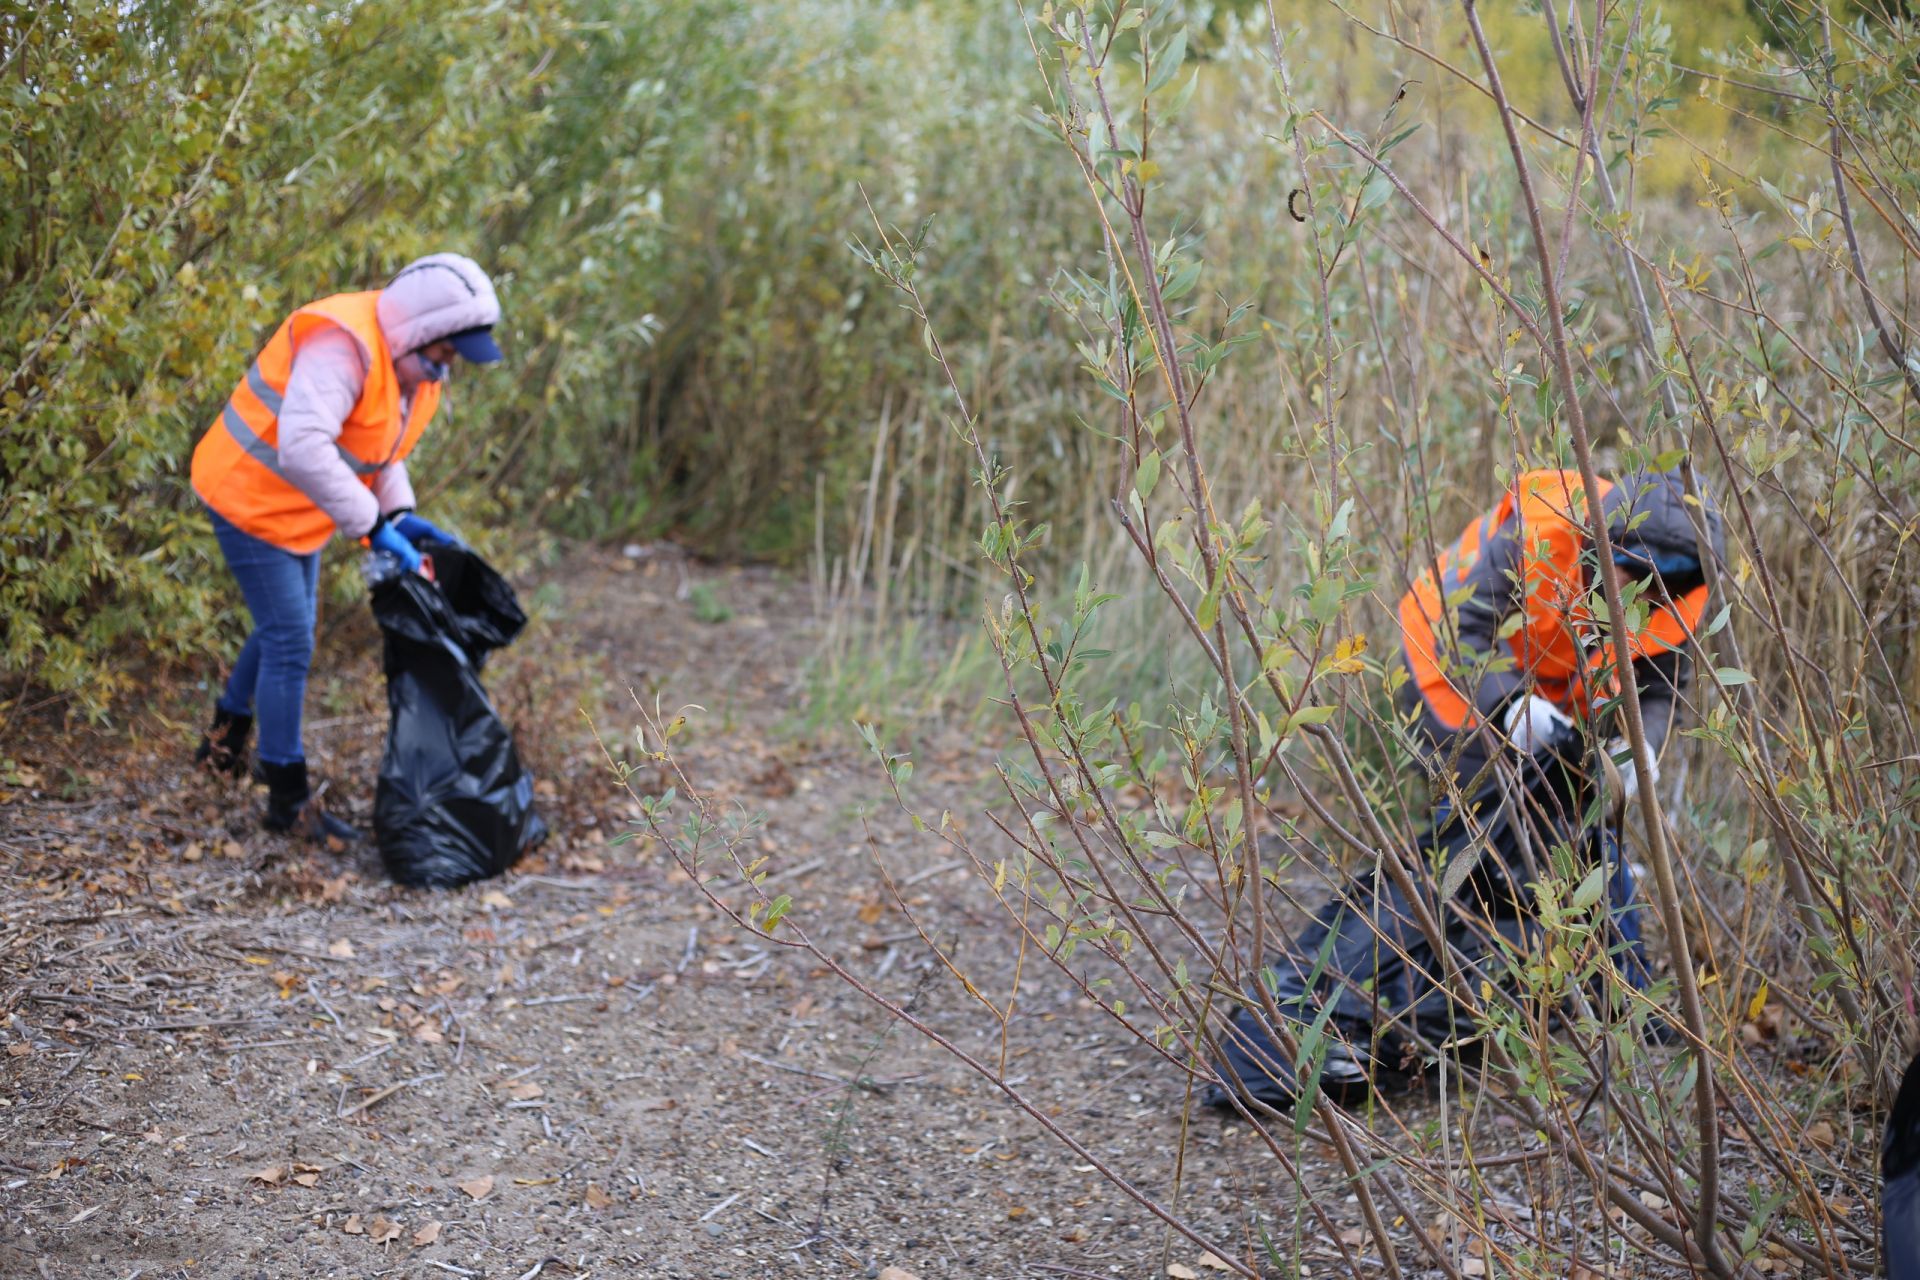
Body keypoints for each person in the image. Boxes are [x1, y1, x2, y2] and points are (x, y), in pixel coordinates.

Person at [1208, 468, 1725, 1112]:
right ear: (1602, 544)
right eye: (1627, 571)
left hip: (1547, 701)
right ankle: (1292, 1017)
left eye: (1656, 583)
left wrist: (1639, 747)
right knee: (1479, 840)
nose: (1635, 593)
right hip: (1448, 670)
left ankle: (1480, 1006)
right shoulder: (1536, 534)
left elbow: (1657, 676)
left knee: (1564, 831)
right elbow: (1460, 633)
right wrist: (1513, 710)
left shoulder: (1683, 587)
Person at [188, 253, 503, 842]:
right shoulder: (344, 347)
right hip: (246, 495)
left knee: (282, 623)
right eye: (444, 352)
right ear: (420, 331)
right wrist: (373, 526)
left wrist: (401, 515)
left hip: (295, 510)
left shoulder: (410, 367)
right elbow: (304, 447)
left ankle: (222, 742)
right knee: (290, 637)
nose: (446, 366)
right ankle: (286, 800)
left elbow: (380, 449)